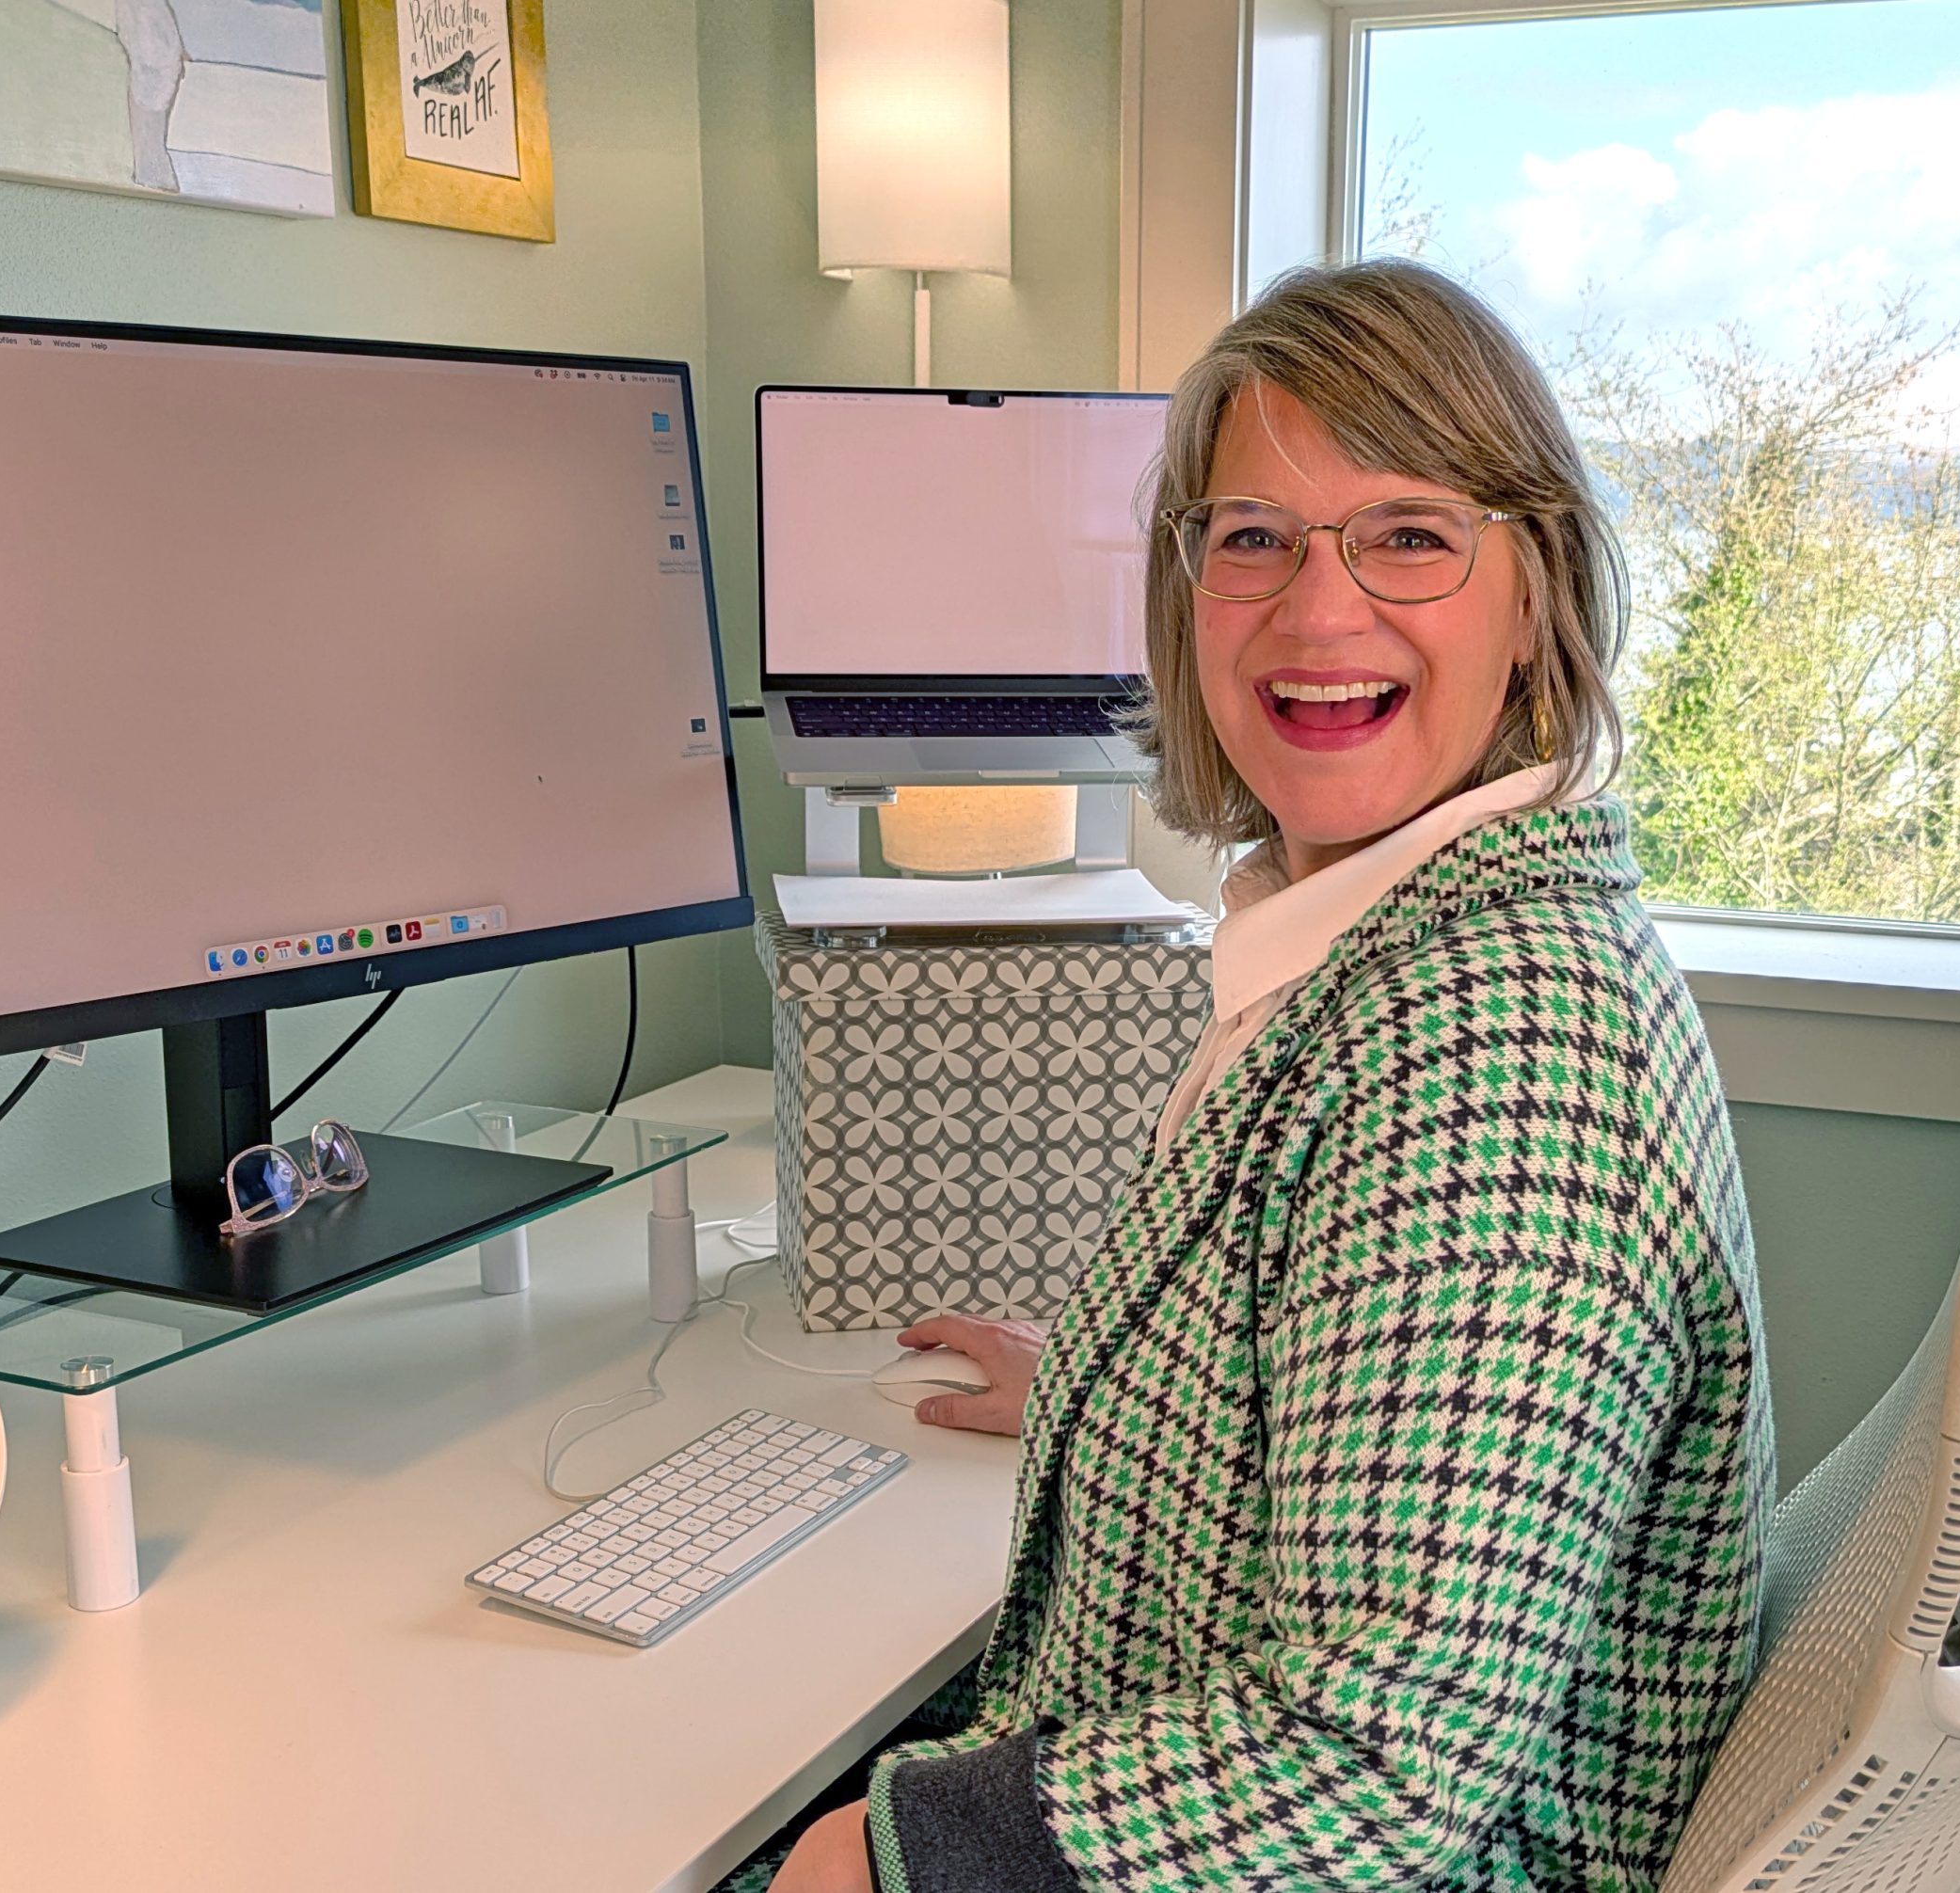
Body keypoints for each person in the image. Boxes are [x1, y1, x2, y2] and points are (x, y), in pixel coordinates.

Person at [751, 259, 1773, 1893]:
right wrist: (1108, 1390)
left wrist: (888, 1862)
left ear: (1540, 593)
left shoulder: (1496, 1062)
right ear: (1187, 592)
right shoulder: (1394, 933)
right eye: (1253, 540)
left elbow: (1375, 1770)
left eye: (1411, 536)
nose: (1317, 612)